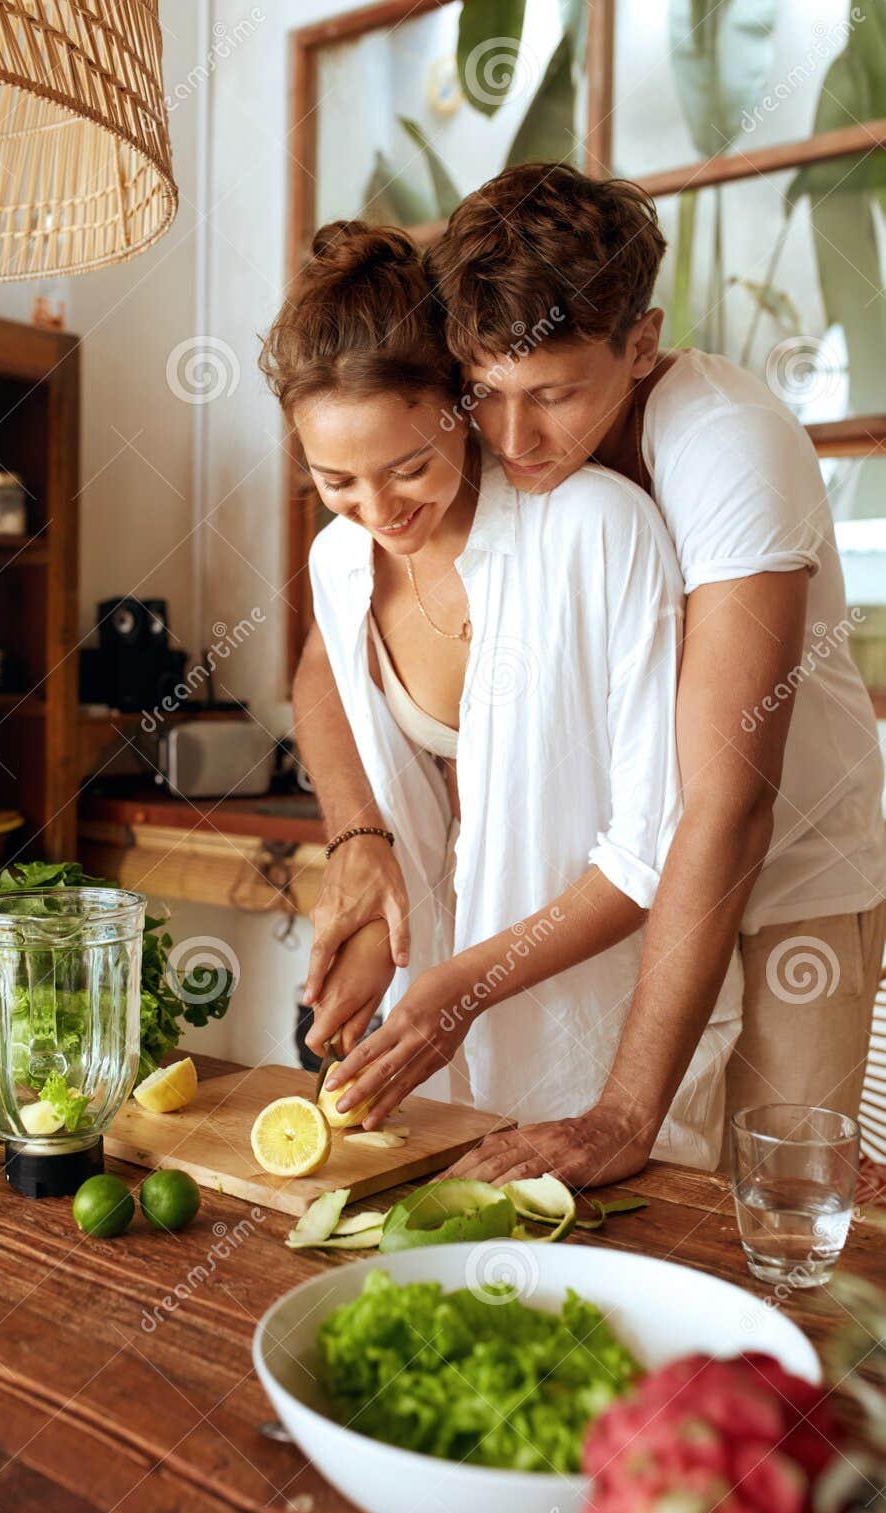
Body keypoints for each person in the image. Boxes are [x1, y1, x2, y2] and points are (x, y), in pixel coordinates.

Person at [296, 163, 886, 1188]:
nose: (516, 438)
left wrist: (622, 1112)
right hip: (654, 879)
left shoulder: (722, 450)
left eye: (554, 395)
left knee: (772, 1202)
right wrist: (360, 838)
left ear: (641, 345)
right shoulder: (488, 479)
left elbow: (724, 811)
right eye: (484, 395)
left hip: (790, 874)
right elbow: (327, 651)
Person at [260, 218, 742, 1170]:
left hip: (597, 1061)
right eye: (335, 481)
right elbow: (352, 731)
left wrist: (462, 988)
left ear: (460, 401)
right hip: (434, 1078)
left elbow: (652, 852)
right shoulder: (339, 562)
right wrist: (374, 908)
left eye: (406, 466)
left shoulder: (599, 534)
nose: (380, 509)